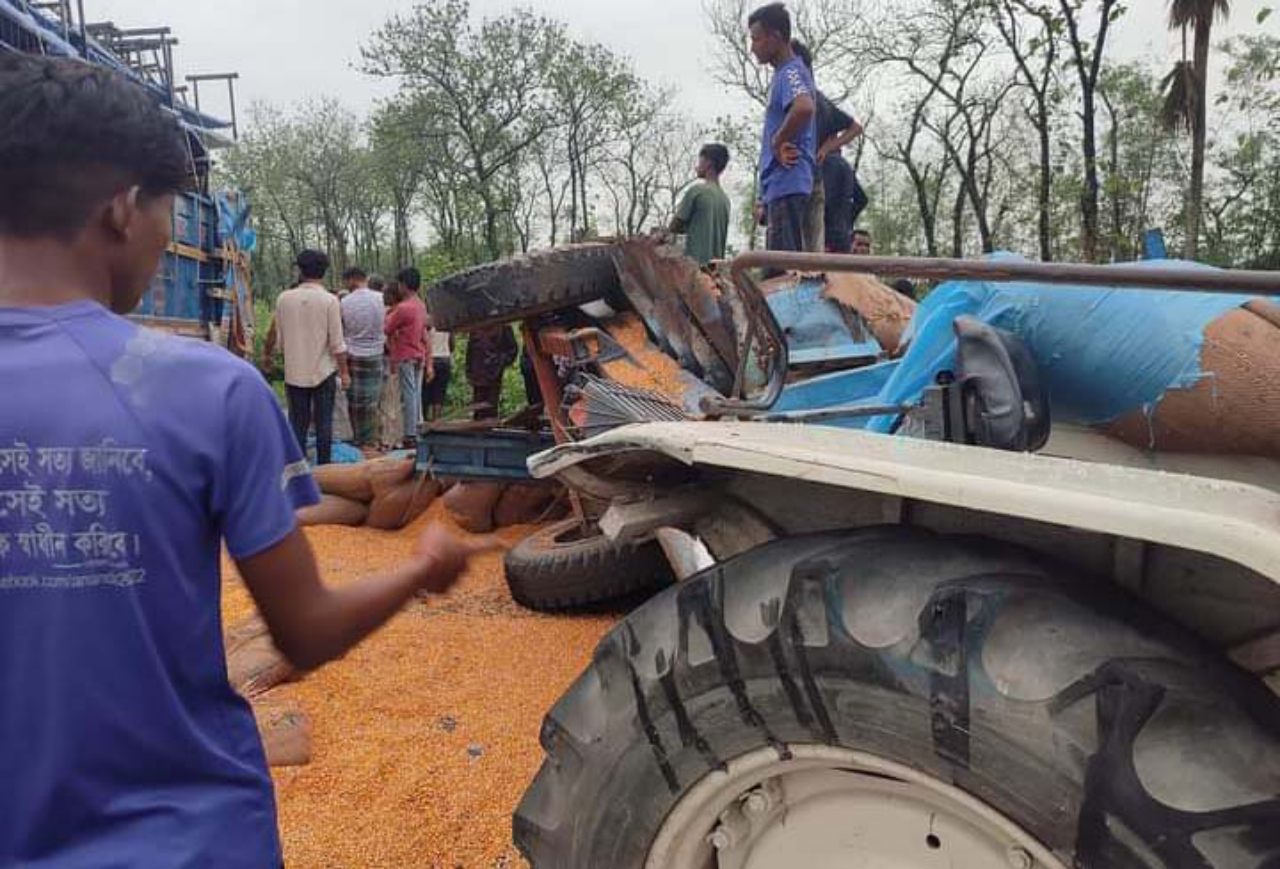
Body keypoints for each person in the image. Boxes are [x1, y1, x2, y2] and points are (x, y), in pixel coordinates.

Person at [0, 53, 492, 869]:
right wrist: (418, 570)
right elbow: (306, 628)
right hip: (191, 839)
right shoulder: (204, 394)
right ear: (123, 209)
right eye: (169, 211)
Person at [263, 249, 350, 466]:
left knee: (297, 425)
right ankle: (325, 473)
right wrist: (345, 372)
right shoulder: (330, 301)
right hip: (324, 373)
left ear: (300, 271)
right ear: (323, 272)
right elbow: (337, 344)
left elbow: (280, 342)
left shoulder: (283, 299)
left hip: (294, 373)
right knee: (324, 425)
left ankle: (298, 473)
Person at [748, 3, 817, 256]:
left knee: (783, 275)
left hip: (788, 182)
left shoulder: (791, 72)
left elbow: (804, 107)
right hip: (778, 187)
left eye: (756, 39)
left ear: (775, 38)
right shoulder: (782, 74)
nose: (752, 47)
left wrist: (778, 141)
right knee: (777, 270)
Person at [790, 39, 865, 254]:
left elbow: (855, 127)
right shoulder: (818, 100)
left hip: (806, 188)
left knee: (793, 260)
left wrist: (824, 150)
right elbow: (861, 199)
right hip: (838, 235)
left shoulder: (811, 101)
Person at [339, 266, 386, 448]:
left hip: (353, 355)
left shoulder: (344, 302)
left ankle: (358, 438)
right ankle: (372, 440)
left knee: (355, 402)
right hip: (376, 354)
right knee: (373, 401)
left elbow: (341, 330)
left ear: (351, 280)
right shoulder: (381, 299)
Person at [384, 269, 428, 448]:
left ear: (403, 285)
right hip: (418, 353)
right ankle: (417, 427)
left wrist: (389, 314)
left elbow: (387, 328)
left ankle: (410, 433)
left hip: (405, 354)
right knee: (415, 393)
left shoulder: (404, 308)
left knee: (408, 395)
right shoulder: (420, 304)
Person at [670, 144, 732, 265]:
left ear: (708, 163)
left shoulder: (697, 191)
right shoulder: (725, 200)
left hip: (695, 269)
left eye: (700, 162)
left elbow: (674, 226)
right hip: (715, 272)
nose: (696, 167)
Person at [466, 325, 518, 421]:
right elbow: (470, 350)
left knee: (491, 408)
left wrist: (500, 362)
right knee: (478, 407)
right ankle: (478, 428)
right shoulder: (476, 326)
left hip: (494, 374)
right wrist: (469, 371)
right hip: (478, 374)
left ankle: (488, 427)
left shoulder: (504, 326)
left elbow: (512, 350)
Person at [822, 149, 869, 253]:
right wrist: (847, 217)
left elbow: (825, 201)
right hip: (843, 234)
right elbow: (862, 199)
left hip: (825, 233)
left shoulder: (824, 163)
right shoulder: (846, 166)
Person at [422, 304, 455, 423]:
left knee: (425, 390)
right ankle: (437, 420)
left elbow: (423, 340)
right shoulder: (447, 321)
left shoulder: (427, 321)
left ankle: (423, 418)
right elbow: (452, 345)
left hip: (430, 359)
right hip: (445, 359)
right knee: (440, 392)